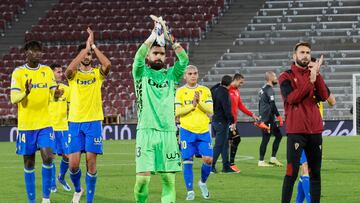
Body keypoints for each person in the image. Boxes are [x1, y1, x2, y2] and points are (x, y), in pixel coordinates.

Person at [133, 17, 189, 203]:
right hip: (146, 131)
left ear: (166, 57)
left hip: (168, 132)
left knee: (168, 180)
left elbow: (184, 59)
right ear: (149, 56)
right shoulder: (141, 73)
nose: (158, 56)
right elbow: (137, 57)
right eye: (155, 53)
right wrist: (152, 36)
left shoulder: (172, 75)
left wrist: (167, 34)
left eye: (162, 54)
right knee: (142, 180)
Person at [10, 41, 63, 203]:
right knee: (29, 163)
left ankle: (45, 199)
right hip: (26, 126)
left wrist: (57, 94)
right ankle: (32, 200)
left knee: (48, 157)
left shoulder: (47, 71)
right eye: (34, 51)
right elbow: (14, 99)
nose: (38, 54)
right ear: (26, 52)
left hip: (45, 124)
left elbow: (54, 92)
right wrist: (26, 92)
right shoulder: (18, 73)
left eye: (40, 51)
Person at [280, 42, 331, 203]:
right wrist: (311, 80)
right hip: (296, 131)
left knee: (315, 173)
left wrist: (317, 75)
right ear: (294, 56)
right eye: (302, 52)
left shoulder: (314, 74)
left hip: (315, 131)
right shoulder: (285, 76)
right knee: (291, 173)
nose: (305, 55)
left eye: (308, 52)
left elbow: (324, 96)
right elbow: (292, 98)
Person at [65, 27, 111, 203]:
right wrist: (85, 48)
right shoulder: (73, 75)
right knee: (73, 164)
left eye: (89, 55)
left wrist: (93, 47)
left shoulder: (97, 74)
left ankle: (89, 201)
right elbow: (69, 68)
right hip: (75, 122)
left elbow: (107, 65)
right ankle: (78, 189)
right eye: (84, 55)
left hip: (93, 122)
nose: (87, 57)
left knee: (91, 163)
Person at [295, 57, 336, 203]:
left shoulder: (319, 84)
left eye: (314, 67)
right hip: (300, 131)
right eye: (309, 67)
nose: (311, 69)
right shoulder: (297, 82)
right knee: (306, 168)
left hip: (314, 131)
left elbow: (332, 101)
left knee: (305, 170)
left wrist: (320, 85)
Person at [175, 65, 213, 200]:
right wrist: (192, 106)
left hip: (203, 131)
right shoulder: (180, 91)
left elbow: (210, 111)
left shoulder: (205, 90)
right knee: (187, 161)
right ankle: (190, 191)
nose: (193, 75)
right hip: (187, 131)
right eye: (190, 73)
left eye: (195, 73)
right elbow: (177, 112)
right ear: (185, 76)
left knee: (208, 159)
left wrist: (199, 103)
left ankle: (202, 182)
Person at [228, 73, 259, 172]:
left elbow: (240, 105)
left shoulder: (236, 91)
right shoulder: (227, 90)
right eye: (240, 83)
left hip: (233, 122)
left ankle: (228, 164)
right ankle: (229, 164)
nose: (241, 85)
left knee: (231, 141)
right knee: (234, 140)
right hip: (227, 121)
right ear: (235, 80)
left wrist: (252, 114)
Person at [48, 63, 71, 193]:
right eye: (58, 72)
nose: (61, 74)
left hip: (63, 127)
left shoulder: (66, 89)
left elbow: (71, 107)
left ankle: (61, 177)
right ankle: (52, 184)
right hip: (49, 128)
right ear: (52, 73)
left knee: (67, 156)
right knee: (50, 157)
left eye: (61, 72)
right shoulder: (46, 89)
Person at [211, 75, 237, 173]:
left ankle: (226, 166)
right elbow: (227, 108)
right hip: (222, 121)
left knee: (225, 144)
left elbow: (210, 89)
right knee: (219, 145)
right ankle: (211, 165)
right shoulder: (225, 93)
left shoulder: (216, 90)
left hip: (215, 120)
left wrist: (219, 84)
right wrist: (232, 120)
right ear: (230, 84)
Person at [257, 71, 284, 167]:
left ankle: (273, 158)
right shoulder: (269, 90)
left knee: (279, 136)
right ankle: (261, 161)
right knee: (265, 139)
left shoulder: (263, 89)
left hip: (267, 118)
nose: (276, 78)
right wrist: (279, 116)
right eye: (275, 76)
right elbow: (272, 105)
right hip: (267, 119)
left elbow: (261, 104)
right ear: (270, 78)